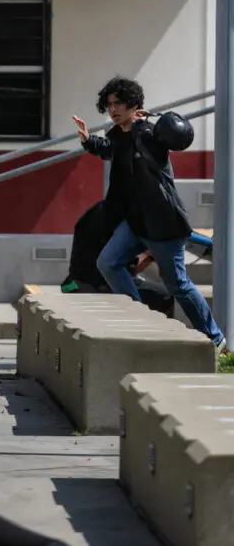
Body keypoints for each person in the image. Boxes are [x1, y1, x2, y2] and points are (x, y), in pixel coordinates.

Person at [75, 76, 225, 350]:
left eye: (118, 103)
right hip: (134, 221)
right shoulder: (117, 134)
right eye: (109, 104)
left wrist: (140, 125)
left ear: (134, 105)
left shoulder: (149, 134)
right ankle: (142, 320)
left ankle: (216, 340)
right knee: (107, 263)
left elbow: (152, 155)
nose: (112, 110)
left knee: (178, 285)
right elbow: (112, 151)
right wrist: (89, 142)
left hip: (162, 222)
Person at [61, 200, 175, 318]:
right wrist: (152, 255)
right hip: (101, 287)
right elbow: (122, 270)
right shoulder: (127, 220)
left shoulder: (98, 210)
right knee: (166, 296)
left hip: (74, 282)